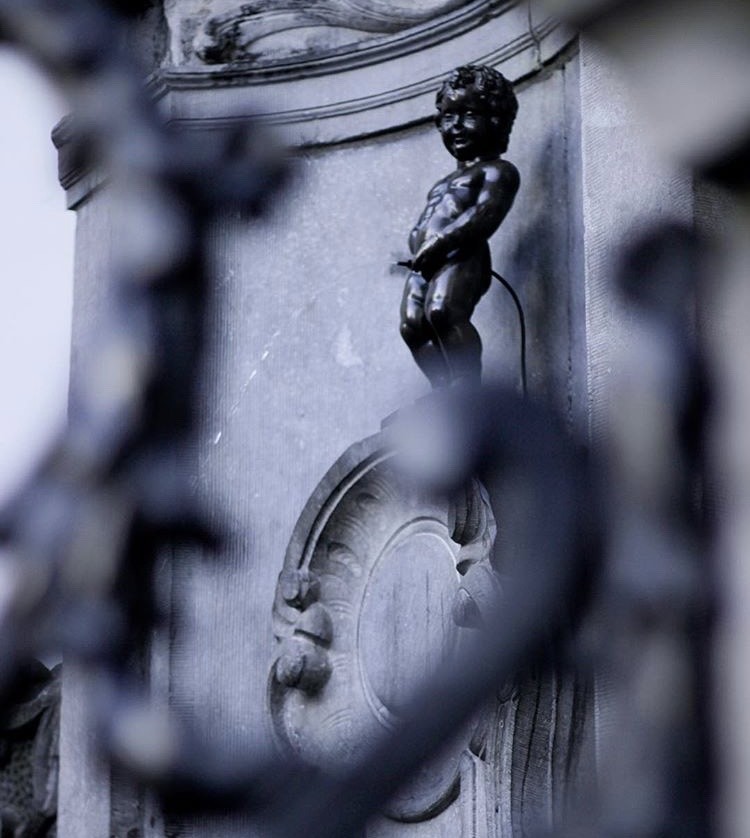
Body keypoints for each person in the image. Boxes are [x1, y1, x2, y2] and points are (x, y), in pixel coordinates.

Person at [399, 64, 520, 387]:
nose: (457, 126)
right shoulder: (444, 181)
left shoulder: (497, 171)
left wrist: (440, 243)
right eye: (449, 116)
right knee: (412, 324)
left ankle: (467, 386)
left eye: (468, 114)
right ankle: (443, 389)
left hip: (464, 256)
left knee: (443, 312)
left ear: (495, 119)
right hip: (426, 263)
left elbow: (484, 216)